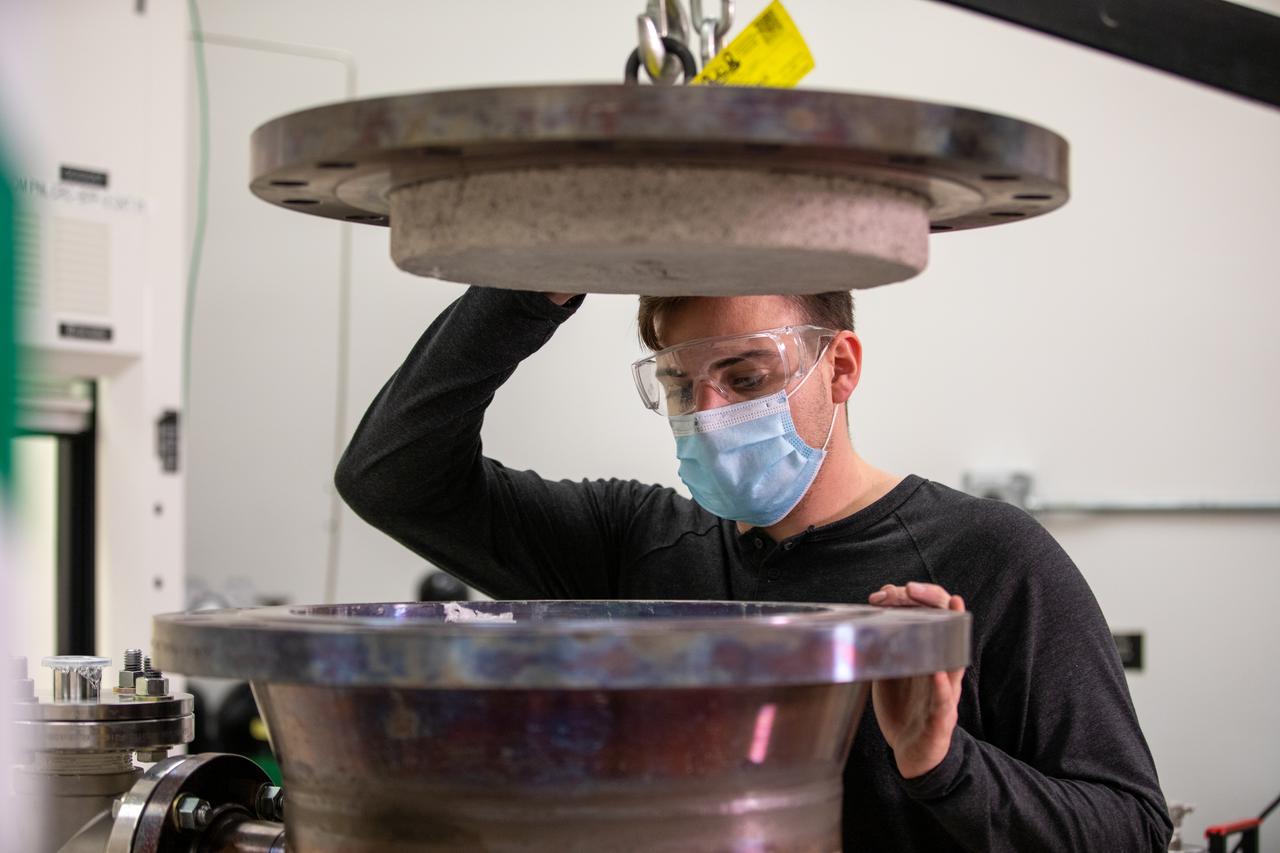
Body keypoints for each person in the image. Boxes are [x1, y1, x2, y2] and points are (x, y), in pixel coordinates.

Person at [335, 286, 1172, 851]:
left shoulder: (990, 558)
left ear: (839, 367)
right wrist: (531, 286)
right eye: (679, 383)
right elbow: (392, 476)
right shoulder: (636, 543)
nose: (710, 415)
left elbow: (1131, 826)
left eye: (746, 377)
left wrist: (942, 764)